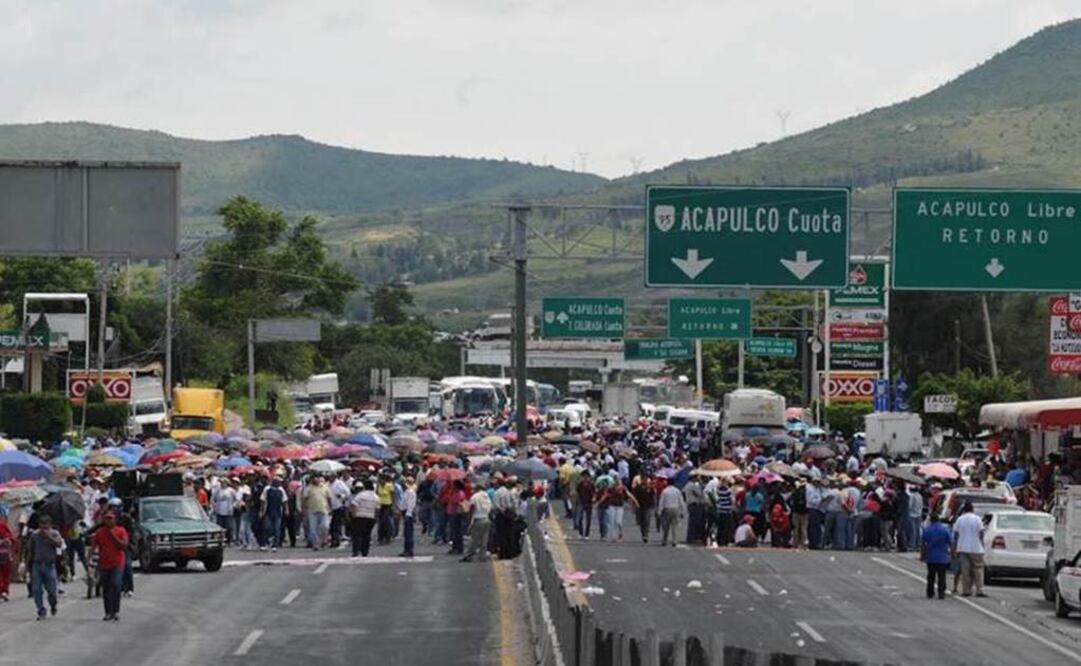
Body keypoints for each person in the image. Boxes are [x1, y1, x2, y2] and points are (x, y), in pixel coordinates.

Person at [91, 511, 129, 621]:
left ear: (115, 520)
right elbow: (94, 546)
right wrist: (88, 561)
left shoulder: (121, 530)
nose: (108, 520)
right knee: (106, 588)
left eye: (111, 518)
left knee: (116, 585)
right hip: (104, 564)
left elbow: (124, 545)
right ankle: (108, 612)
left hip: (117, 563)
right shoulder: (100, 532)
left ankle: (116, 611)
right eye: (106, 518)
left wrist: (113, 535)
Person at [27, 515, 62, 620]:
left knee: (52, 590)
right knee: (36, 589)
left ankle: (53, 604)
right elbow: (30, 551)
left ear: (50, 525)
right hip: (37, 565)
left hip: (49, 565)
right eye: (41, 524)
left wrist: (49, 537)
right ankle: (41, 610)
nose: (43, 528)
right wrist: (27, 565)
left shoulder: (55, 533)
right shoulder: (34, 536)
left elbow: (59, 544)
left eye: (46, 525)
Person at [952, 501, 987, 597]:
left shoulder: (960, 519)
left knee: (965, 571)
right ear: (972, 509)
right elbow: (981, 533)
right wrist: (982, 544)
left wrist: (955, 547)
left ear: (964, 510)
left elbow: (956, 534)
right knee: (978, 570)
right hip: (976, 548)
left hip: (963, 548)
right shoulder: (977, 519)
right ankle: (979, 590)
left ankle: (966, 590)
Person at [920, 514, 951, 600]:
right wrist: (952, 554)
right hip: (942, 557)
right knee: (942, 576)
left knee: (931, 575)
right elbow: (950, 542)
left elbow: (923, 544)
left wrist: (922, 555)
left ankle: (930, 592)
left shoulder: (927, 530)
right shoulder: (945, 530)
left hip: (931, 557)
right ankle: (941, 592)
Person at [462, 483, 493, 563]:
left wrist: (469, 517)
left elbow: (471, 507)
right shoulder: (487, 497)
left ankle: (468, 555)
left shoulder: (475, 496)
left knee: (474, 539)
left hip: (478, 519)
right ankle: (482, 556)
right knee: (484, 540)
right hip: (486, 519)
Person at [348, 481, 379, 557]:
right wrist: (375, 518)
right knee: (367, 535)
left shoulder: (361, 495)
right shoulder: (376, 497)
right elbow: (377, 509)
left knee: (357, 535)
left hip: (359, 516)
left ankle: (356, 551)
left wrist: (353, 515)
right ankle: (365, 552)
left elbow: (353, 504)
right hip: (370, 517)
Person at [302, 476, 331, 550]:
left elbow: (329, 498)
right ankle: (316, 544)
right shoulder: (308, 488)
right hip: (312, 511)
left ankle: (324, 540)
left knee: (325, 526)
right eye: (314, 478)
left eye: (316, 478)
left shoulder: (325, 487)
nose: (315, 479)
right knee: (313, 529)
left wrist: (331, 508)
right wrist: (304, 510)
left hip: (324, 510)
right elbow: (304, 500)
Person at [260, 477, 287, 552]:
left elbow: (284, 500)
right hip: (268, 512)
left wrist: (286, 510)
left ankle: (275, 545)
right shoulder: (267, 489)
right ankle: (265, 543)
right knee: (267, 528)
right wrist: (261, 511)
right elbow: (263, 500)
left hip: (278, 512)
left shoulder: (281, 490)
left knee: (277, 529)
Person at [658, 482, 685, 547]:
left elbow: (662, 501)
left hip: (667, 509)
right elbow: (681, 501)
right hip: (675, 509)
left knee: (665, 527)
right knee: (674, 526)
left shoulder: (665, 491)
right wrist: (682, 512)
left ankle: (664, 541)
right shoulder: (677, 491)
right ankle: (674, 541)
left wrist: (659, 511)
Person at [398, 477, 417, 558]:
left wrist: (408, 514)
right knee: (406, 533)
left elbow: (410, 504)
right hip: (405, 512)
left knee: (409, 533)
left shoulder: (410, 492)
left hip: (408, 513)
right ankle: (406, 550)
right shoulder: (406, 491)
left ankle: (409, 550)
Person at [0, 519, 15, 602]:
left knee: (3, 575)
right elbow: (12, 540)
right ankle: (4, 591)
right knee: (6, 574)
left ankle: (2, 591)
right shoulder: (3, 525)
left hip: (6, 556)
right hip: (7, 556)